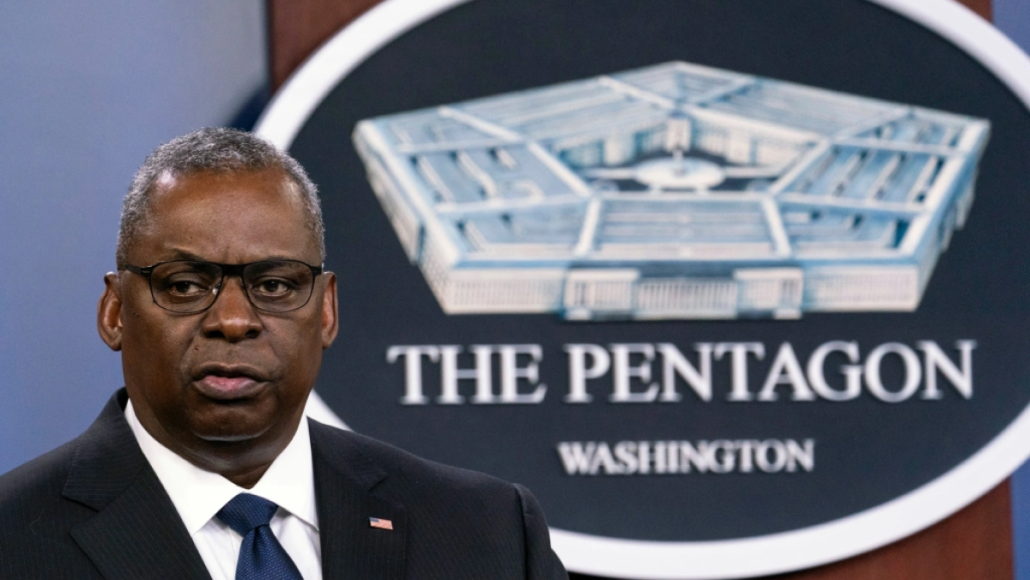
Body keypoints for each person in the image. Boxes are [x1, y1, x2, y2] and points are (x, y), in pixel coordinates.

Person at [0, 128, 568, 579]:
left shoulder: (488, 534)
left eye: (274, 285)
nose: (233, 321)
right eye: (185, 285)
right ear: (115, 312)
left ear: (326, 312)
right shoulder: (13, 539)